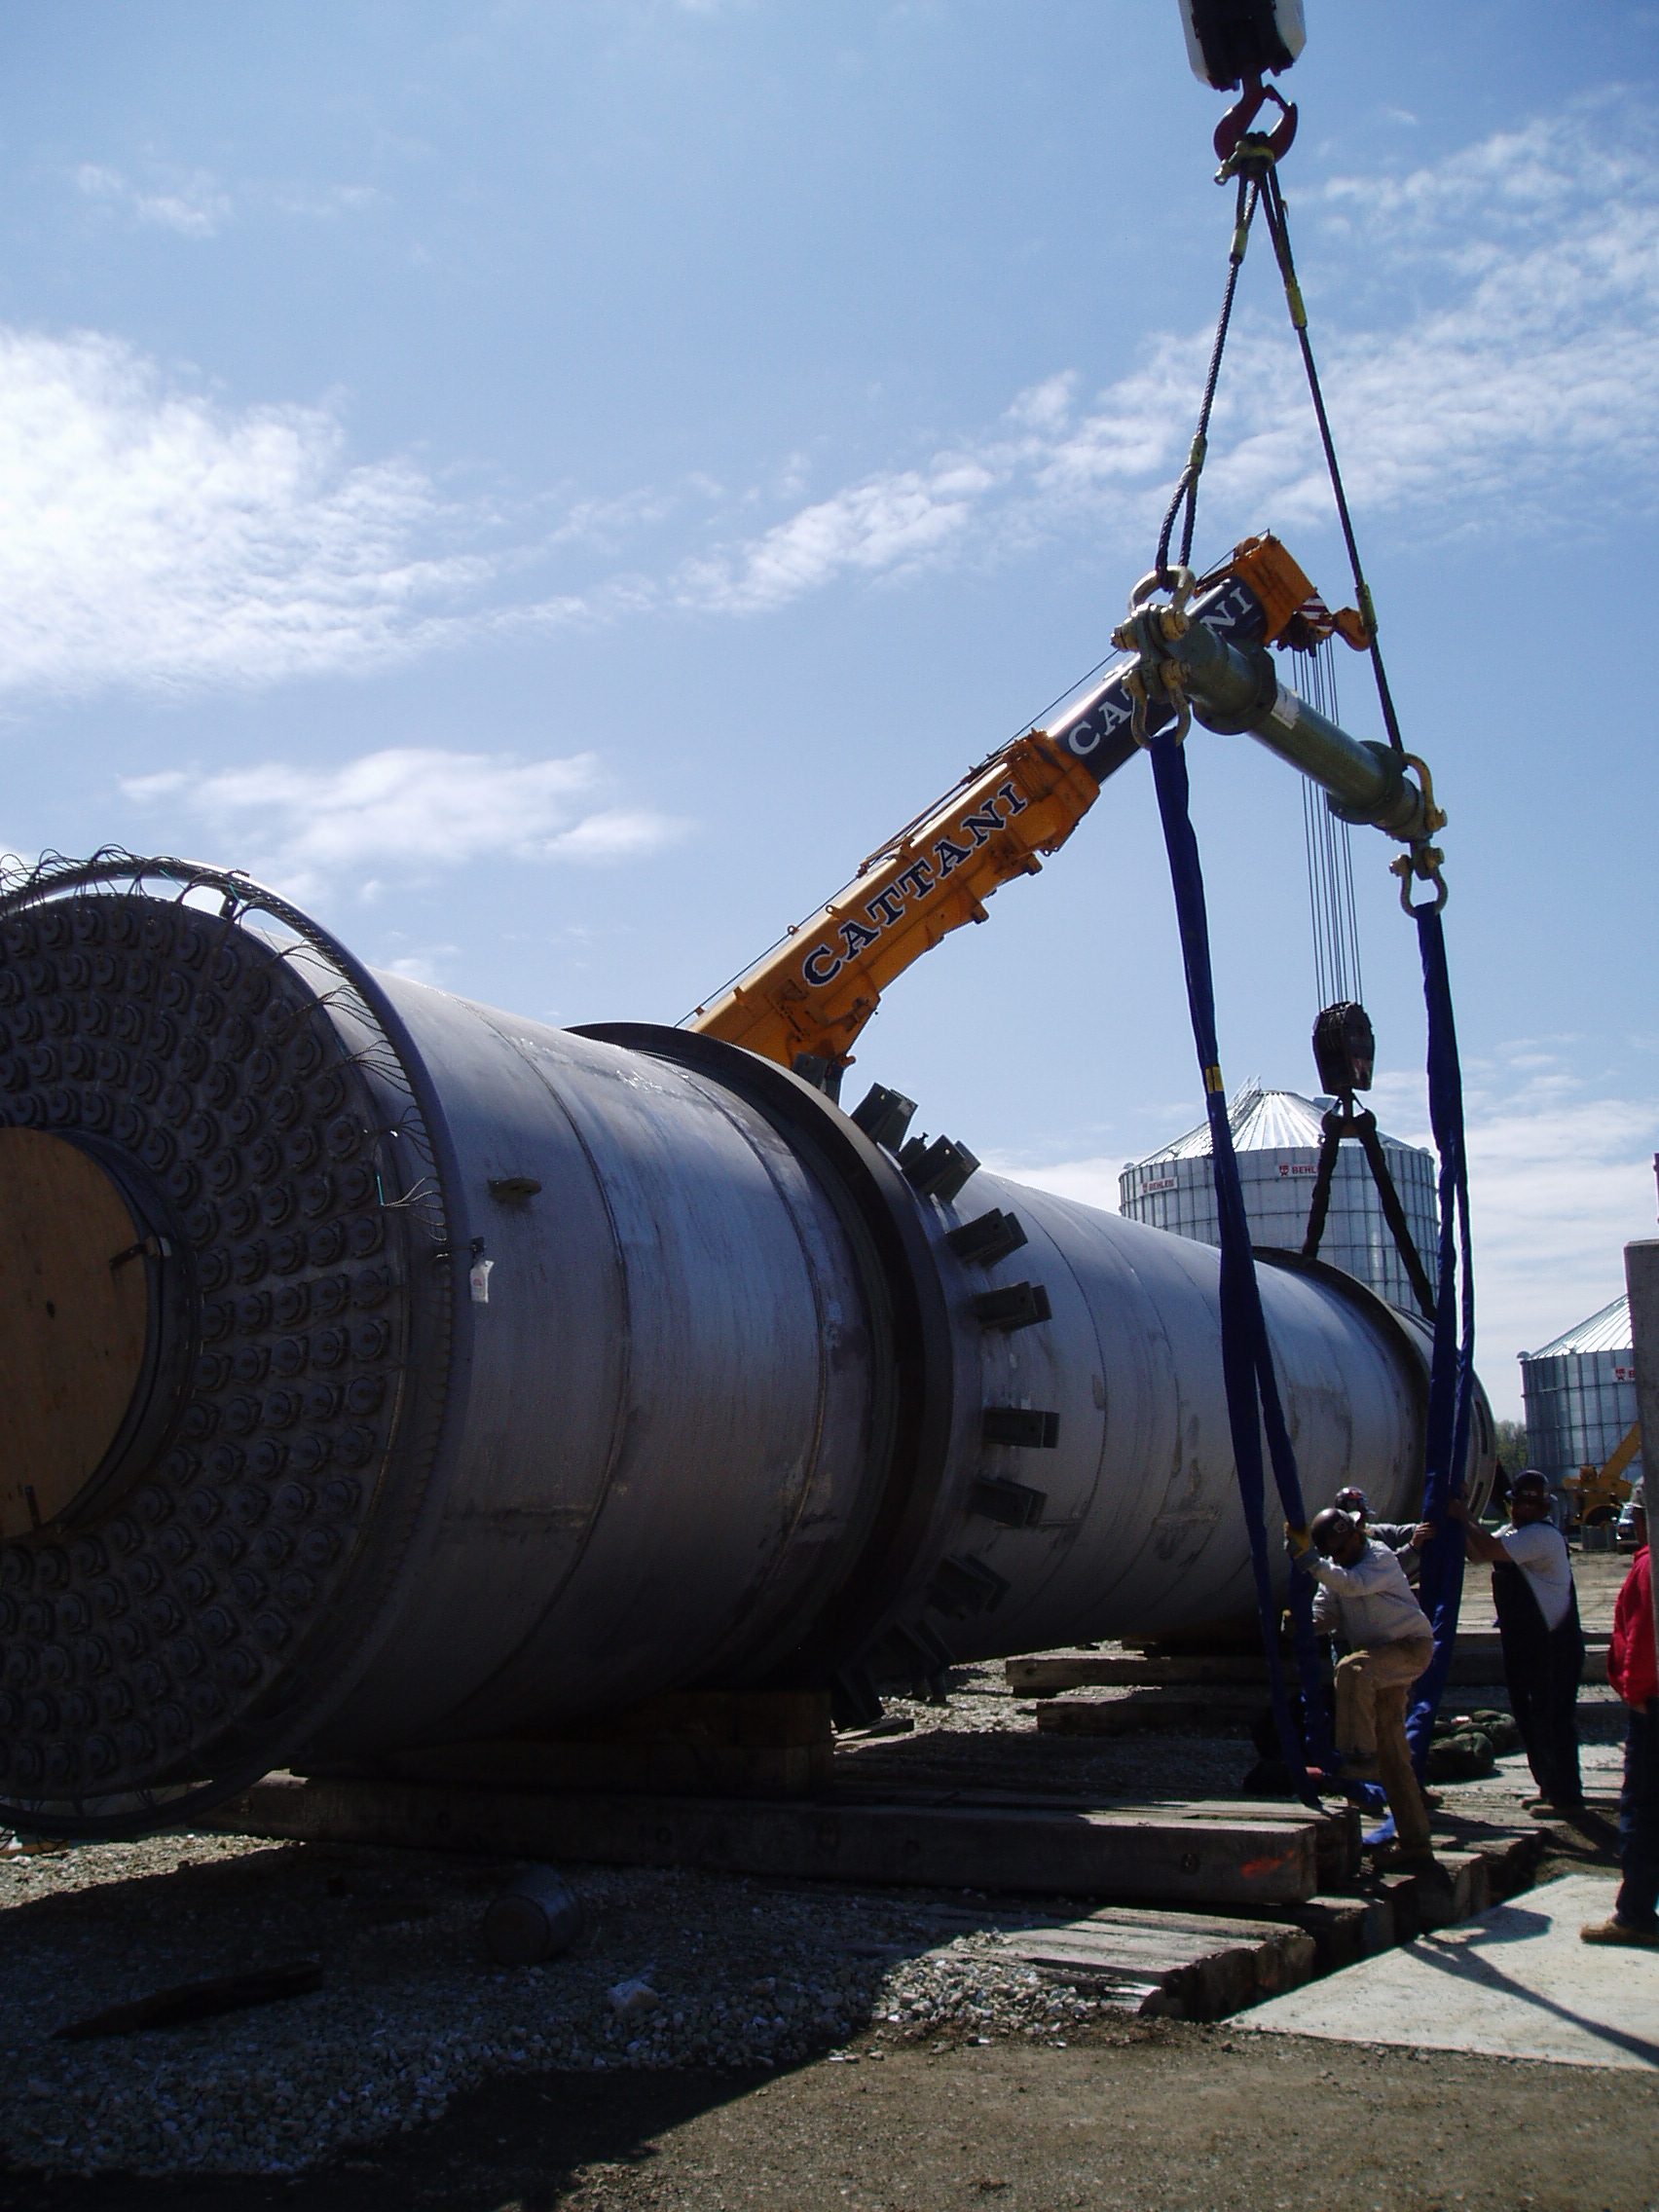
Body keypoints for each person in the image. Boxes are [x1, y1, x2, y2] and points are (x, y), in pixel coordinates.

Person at [1290, 1505, 1436, 1862]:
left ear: (1357, 1534)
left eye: (1348, 1544)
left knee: (1351, 1670)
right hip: (1378, 1661)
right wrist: (1299, 1623)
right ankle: (1416, 1845)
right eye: (1337, 1551)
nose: (1346, 1552)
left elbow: (1354, 1586)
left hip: (1409, 1647)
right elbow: (1326, 1614)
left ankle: (1358, 1756)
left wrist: (1311, 1563)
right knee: (1394, 1756)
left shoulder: (1380, 1557)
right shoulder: (1336, 1572)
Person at [1450, 1469, 1584, 1817]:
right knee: (1530, 1719)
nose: (1521, 1510)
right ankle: (1548, 1787)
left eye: (1528, 1505)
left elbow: (1489, 1548)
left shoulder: (1542, 1537)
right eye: (1518, 1504)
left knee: (1554, 1720)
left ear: (1542, 1508)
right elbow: (1478, 1553)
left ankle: (1566, 1796)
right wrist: (1460, 1517)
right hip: (1525, 1642)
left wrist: (1464, 1513)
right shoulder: (1514, 1533)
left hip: (1553, 1645)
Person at [1582, 1491, 1658, 1947]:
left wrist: (1636, 1693)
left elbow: (1644, 1637)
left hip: (1652, 1704)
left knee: (1644, 1811)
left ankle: (1634, 1916)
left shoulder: (1649, 1566)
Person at [1333, 1485, 1430, 1585]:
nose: (1359, 1526)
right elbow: (1384, 1571)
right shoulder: (1339, 1549)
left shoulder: (1376, 1532)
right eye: (1353, 1522)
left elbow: (1406, 1531)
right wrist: (1412, 1547)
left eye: (1362, 1520)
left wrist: (1424, 1529)